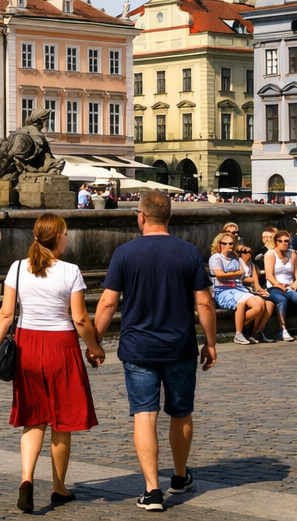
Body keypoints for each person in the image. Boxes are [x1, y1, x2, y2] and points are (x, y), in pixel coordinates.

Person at [93, 192, 217, 512]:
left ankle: (151, 490)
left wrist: (94, 343)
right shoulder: (188, 252)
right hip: (180, 346)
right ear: (170, 218)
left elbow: (107, 302)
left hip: (138, 348)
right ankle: (178, 476)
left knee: (144, 414)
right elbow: (204, 302)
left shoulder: (125, 253)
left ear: (141, 216)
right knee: (180, 412)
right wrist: (211, 342)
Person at [0, 213, 103, 514]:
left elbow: (5, 314)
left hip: (28, 346)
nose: (68, 238)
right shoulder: (70, 271)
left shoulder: (17, 268)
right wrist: (95, 348)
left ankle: (26, 480)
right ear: (57, 238)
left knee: (33, 418)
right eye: (65, 234)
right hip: (61, 347)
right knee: (61, 420)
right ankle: (59, 487)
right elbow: (79, 319)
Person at [208, 233, 270, 344]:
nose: (228, 246)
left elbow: (242, 274)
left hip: (238, 288)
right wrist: (235, 273)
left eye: (231, 243)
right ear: (219, 244)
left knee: (260, 303)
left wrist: (235, 272)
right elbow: (220, 275)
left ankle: (249, 331)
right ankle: (238, 333)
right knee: (241, 302)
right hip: (223, 291)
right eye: (225, 243)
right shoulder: (216, 257)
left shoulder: (235, 257)